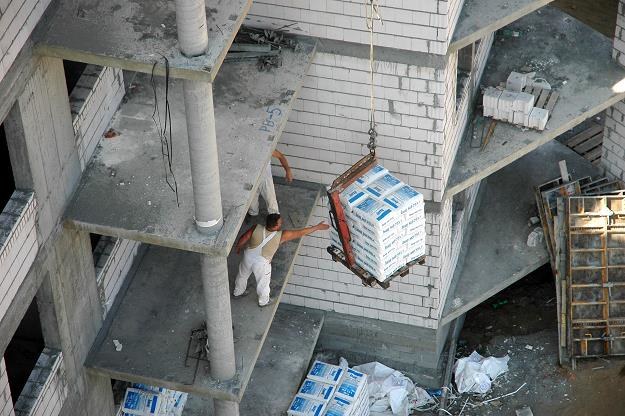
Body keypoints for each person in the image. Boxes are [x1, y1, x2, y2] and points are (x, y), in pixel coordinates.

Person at [233, 213, 329, 307]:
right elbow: (301, 232)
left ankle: (238, 292)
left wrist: (238, 246)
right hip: (261, 264)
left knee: (242, 275)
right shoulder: (282, 235)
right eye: (280, 223)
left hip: (248, 256)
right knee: (263, 283)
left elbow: (245, 237)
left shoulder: (256, 227)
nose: (281, 223)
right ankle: (263, 301)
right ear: (275, 226)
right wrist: (317, 227)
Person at [248, 150, 293, 218]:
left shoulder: (266, 146)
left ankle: (274, 220)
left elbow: (280, 156)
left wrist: (288, 170)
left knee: (271, 201)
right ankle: (252, 214)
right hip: (249, 177)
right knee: (251, 202)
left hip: (265, 177)